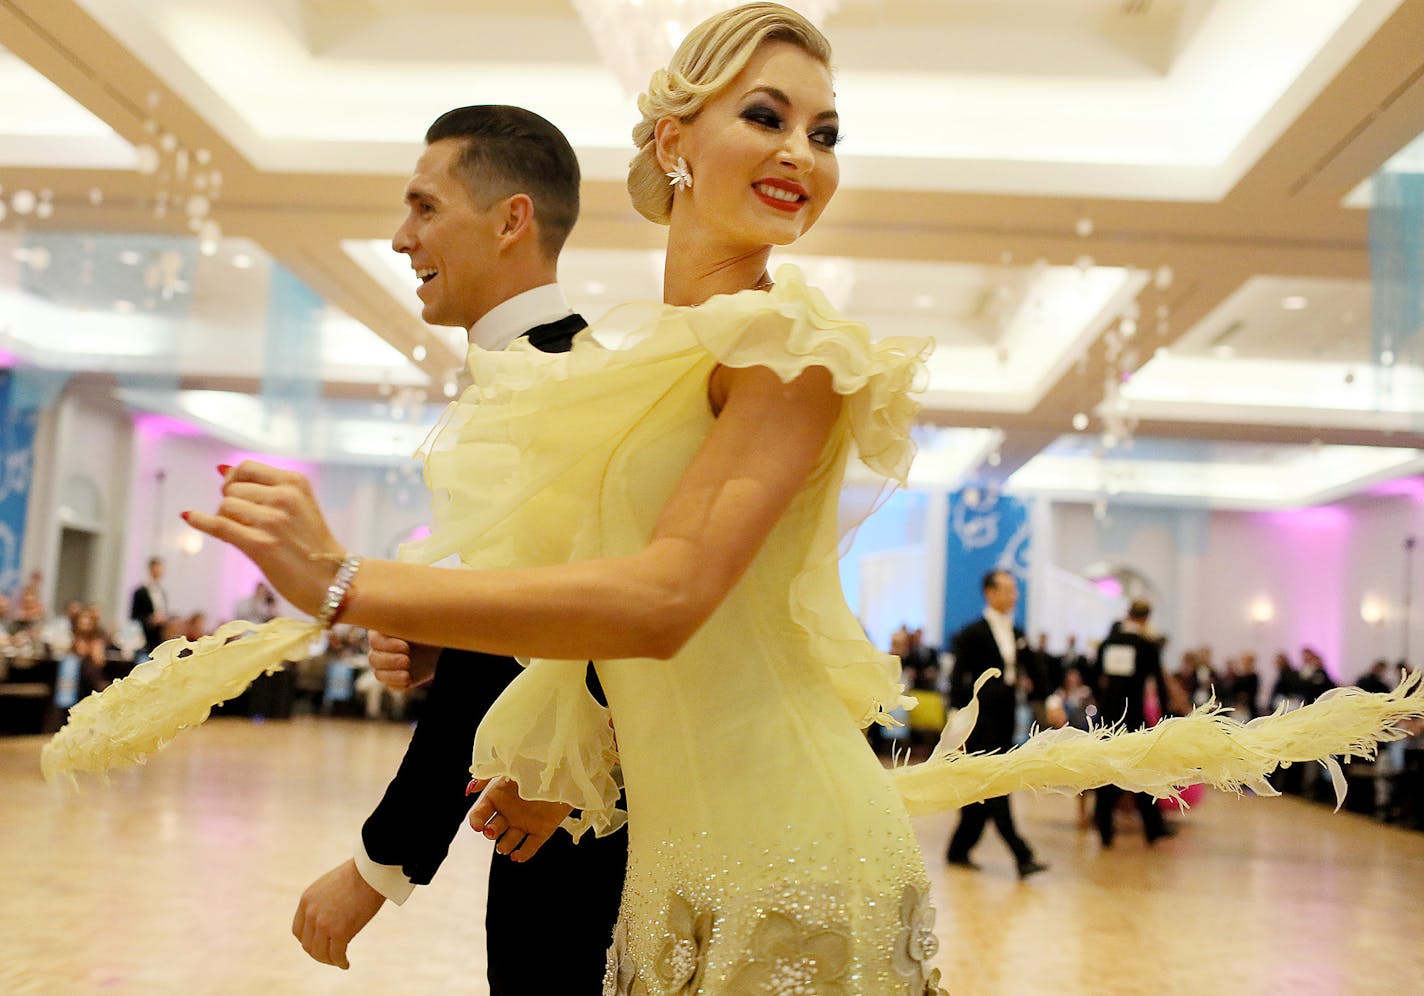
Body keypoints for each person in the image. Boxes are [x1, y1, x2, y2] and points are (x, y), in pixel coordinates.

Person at [189, 7, 952, 991]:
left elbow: (666, 598)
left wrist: (349, 584)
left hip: (786, 848)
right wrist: (575, 768)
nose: (799, 154)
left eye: (823, 132)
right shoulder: (650, 363)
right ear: (673, 141)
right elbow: (616, 619)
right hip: (673, 859)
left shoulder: (790, 349)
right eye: (765, 116)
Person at [287, 105, 626, 988]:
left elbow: (623, 618)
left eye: (424, 208)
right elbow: (539, 619)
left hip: (583, 824)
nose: (402, 239)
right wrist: (443, 634)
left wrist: (376, 866)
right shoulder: (546, 375)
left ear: (512, 218)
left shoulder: (548, 392)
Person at [944, 570, 1047, 878]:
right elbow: (956, 680)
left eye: (1015, 590)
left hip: (1005, 719)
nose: (1014, 595)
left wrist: (1047, 701)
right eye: (1007, 589)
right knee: (996, 783)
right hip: (981, 721)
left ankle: (958, 849)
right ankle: (1022, 854)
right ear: (990, 593)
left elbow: (1035, 672)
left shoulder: (1016, 631)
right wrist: (957, 720)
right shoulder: (972, 633)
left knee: (980, 788)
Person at [1093, 600, 1172, 847]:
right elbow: (1159, 682)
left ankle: (1104, 826)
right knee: (1141, 769)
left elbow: (1094, 675)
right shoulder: (1147, 645)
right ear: (1146, 618)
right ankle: (1153, 827)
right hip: (1133, 716)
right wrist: (1167, 714)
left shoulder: (1108, 643)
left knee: (1107, 770)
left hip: (1108, 716)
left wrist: (1104, 700)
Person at [128, 557, 168, 655]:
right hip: (143, 636)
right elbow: (134, 616)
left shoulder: (162, 592)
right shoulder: (140, 592)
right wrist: (150, 619)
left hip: (158, 635)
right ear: (151, 569)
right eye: (157, 568)